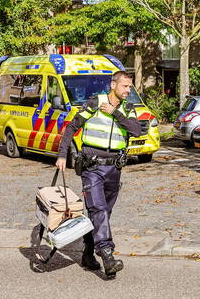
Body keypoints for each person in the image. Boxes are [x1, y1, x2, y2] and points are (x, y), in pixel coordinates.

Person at [56, 70, 142, 280]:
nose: (128, 90)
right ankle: (108, 256)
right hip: (92, 167)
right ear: (113, 85)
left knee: (103, 214)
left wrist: (115, 113)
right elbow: (71, 128)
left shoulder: (128, 108)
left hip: (114, 169)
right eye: (125, 86)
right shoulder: (95, 103)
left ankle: (87, 255)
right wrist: (62, 156)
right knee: (99, 209)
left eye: (130, 87)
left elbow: (136, 131)